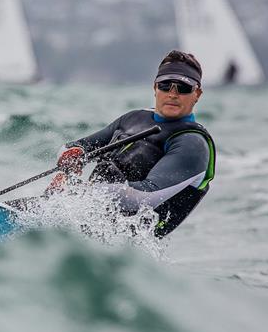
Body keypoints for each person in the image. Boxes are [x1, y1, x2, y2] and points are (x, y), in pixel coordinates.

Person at [42, 50, 216, 237]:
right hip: (85, 216)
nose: (172, 94)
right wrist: (70, 162)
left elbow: (143, 197)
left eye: (183, 87)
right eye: (166, 85)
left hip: (122, 240)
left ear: (197, 94)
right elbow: (76, 146)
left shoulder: (193, 144)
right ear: (155, 87)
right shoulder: (133, 119)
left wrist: (77, 194)